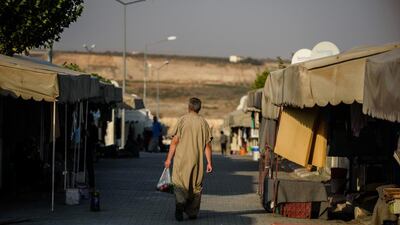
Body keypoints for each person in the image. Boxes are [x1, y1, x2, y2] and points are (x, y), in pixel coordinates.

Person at [164, 97, 213, 221]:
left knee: (180, 185)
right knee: (196, 187)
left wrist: (169, 159)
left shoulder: (182, 120)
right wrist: (209, 163)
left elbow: (174, 142)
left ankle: (180, 207)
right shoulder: (203, 123)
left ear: (189, 107)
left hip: (181, 161)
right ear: (199, 108)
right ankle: (192, 212)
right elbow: (207, 145)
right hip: (197, 162)